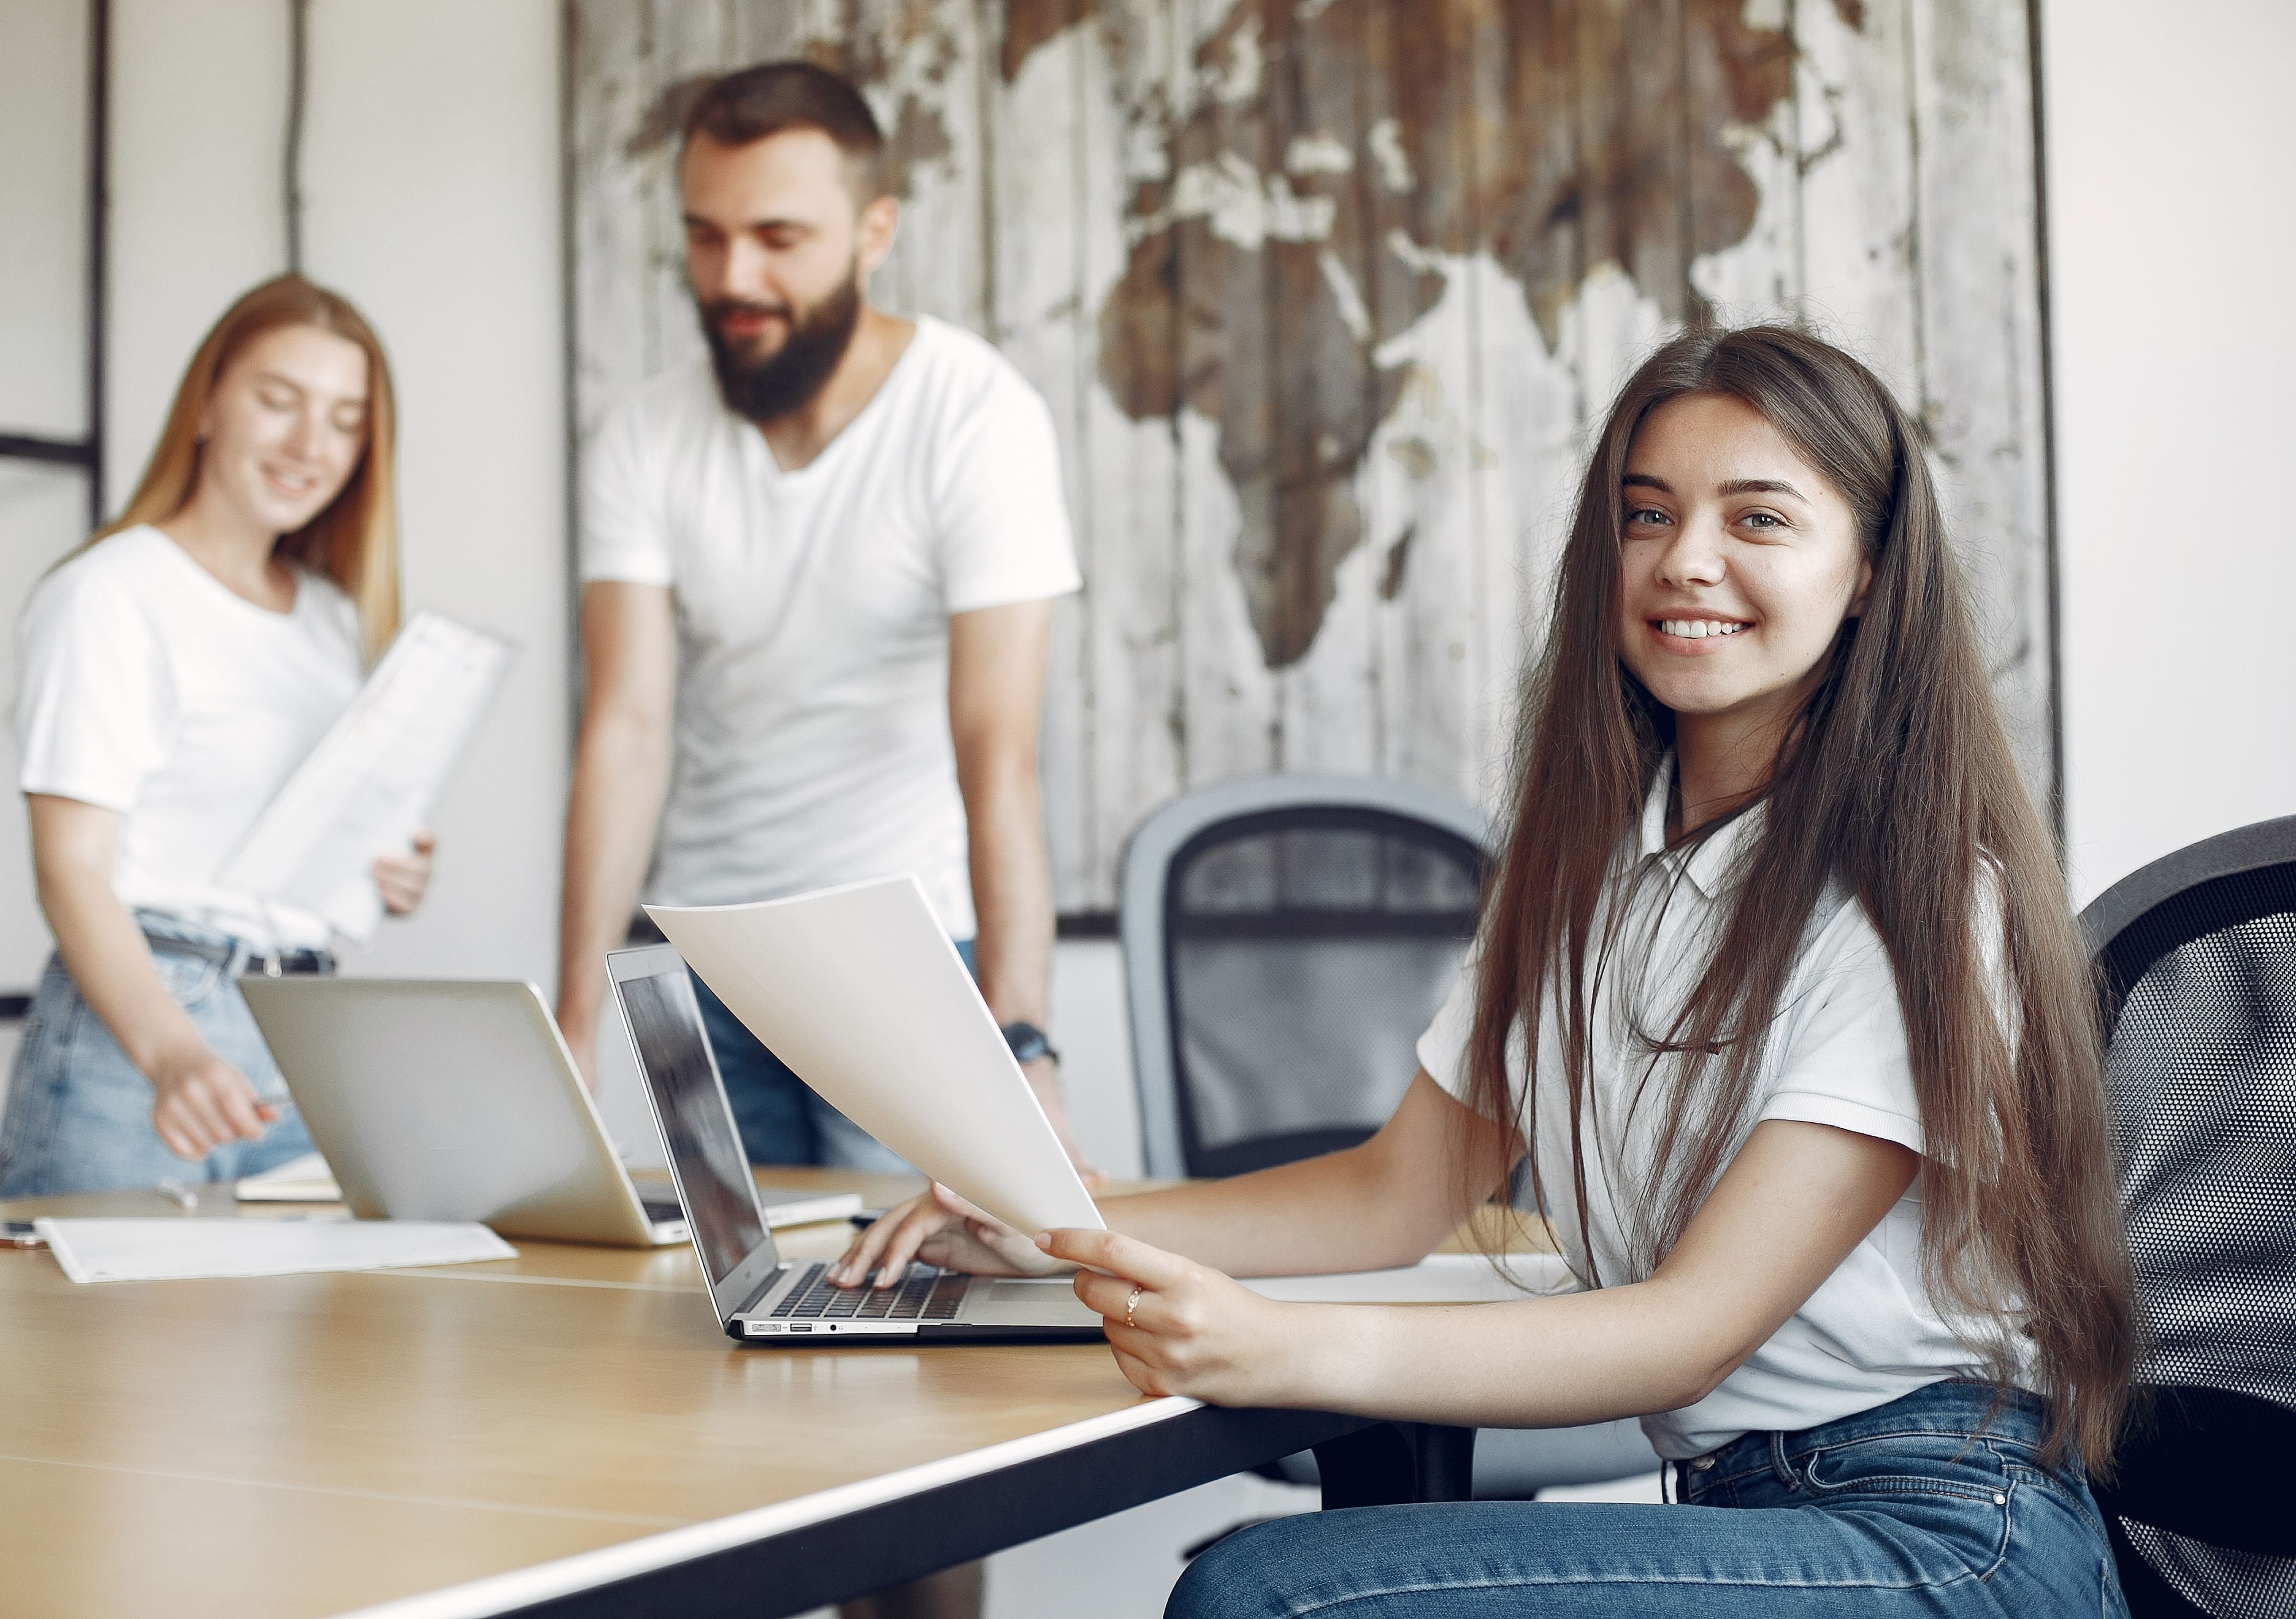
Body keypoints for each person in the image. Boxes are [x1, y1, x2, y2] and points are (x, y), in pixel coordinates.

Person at [834, 325, 2137, 1617]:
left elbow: (1694, 1328)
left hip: (1949, 1533)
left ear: (1867, 572)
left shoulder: (1916, 901)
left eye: (1760, 520)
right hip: (1757, 1507)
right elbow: (1396, 1194)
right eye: (1648, 515)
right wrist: (1057, 1229)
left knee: (1269, 1598)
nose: (1686, 561)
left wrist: (1281, 1344)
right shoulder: (1584, 869)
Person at [554, 61, 1091, 1183]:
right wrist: (573, 1020)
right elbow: (627, 732)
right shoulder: (643, 436)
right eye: (704, 236)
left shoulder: (976, 417)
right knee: (743, 1315)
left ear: (874, 230)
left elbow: (997, 757)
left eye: (778, 238)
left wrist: (1020, 1035)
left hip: (898, 956)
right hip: (699, 955)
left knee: (919, 1303)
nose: (732, 276)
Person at [0, 275, 436, 1198]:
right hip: (150, 1033)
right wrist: (171, 1055)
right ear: (205, 406)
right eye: (278, 402)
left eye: (346, 420)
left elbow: (273, 842)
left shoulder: (329, 618)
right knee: (112, 1347)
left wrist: (384, 867)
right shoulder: (112, 594)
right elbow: (71, 868)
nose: (309, 446)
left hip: (303, 1038)